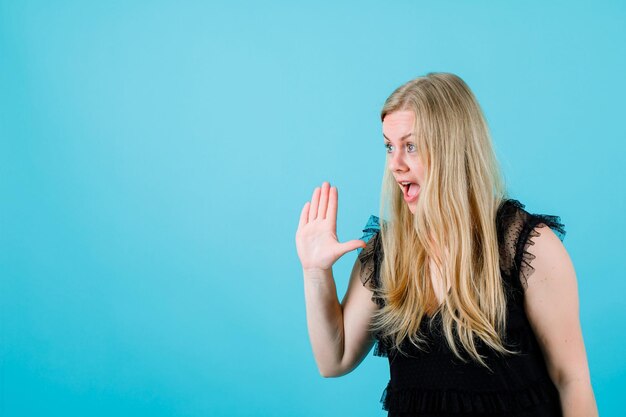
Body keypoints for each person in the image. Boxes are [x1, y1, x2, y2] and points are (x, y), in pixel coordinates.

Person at [295, 73, 598, 416]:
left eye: (411, 146)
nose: (395, 164)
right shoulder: (387, 254)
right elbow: (334, 359)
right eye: (389, 146)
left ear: (453, 149)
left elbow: (572, 380)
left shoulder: (527, 248)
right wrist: (315, 272)